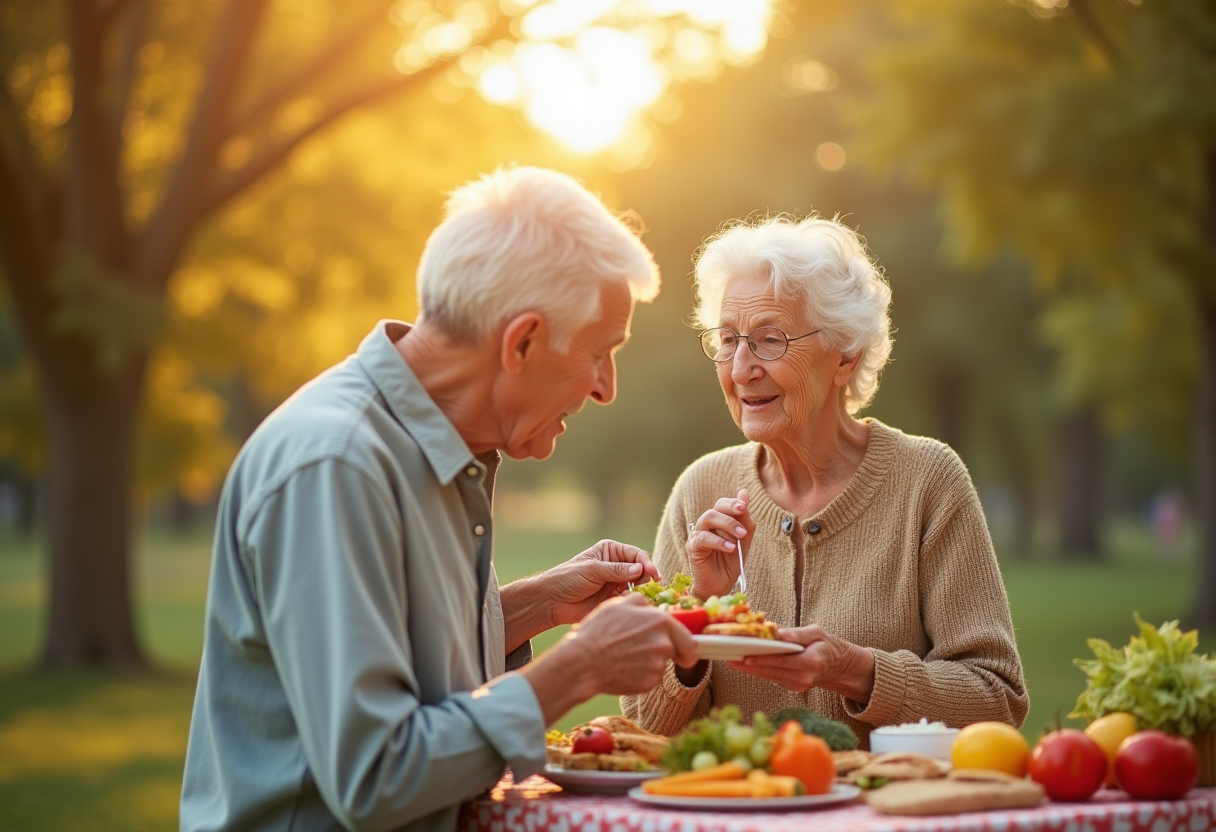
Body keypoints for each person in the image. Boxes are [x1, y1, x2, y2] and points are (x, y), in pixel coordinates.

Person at [180, 167, 698, 832]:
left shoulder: (434, 452)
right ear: (523, 342)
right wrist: (583, 665)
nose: (607, 388)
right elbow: (377, 776)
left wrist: (539, 605)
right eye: (601, 351)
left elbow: (397, 658)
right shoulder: (337, 467)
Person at [621, 216, 1027, 745]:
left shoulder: (927, 481)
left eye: (769, 339)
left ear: (845, 356)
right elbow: (640, 728)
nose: (741, 367)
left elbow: (996, 699)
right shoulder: (701, 490)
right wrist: (697, 611)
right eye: (727, 340)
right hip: (735, 819)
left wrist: (857, 672)